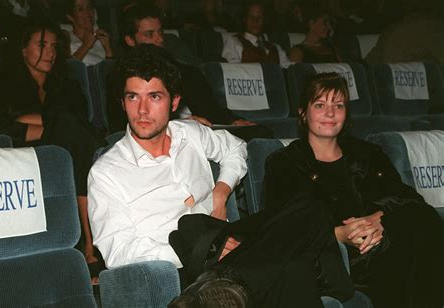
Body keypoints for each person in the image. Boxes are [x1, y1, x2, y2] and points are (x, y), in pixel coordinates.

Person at [89, 44, 355, 307]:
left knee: (310, 207)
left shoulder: (189, 133)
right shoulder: (107, 172)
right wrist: (207, 249)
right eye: (133, 97)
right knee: (293, 268)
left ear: (175, 102)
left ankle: (228, 286)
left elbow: (235, 148)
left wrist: (221, 191)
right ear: (122, 103)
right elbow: (118, 252)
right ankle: (226, 285)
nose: (143, 110)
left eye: (155, 97)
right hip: (183, 263)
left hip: (227, 243)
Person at [262, 72, 444, 308]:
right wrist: (340, 234)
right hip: (331, 256)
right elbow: (279, 227)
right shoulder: (284, 163)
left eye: (338, 105)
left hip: (383, 242)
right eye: (320, 105)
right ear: (303, 113)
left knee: (422, 218)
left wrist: (378, 218)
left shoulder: (367, 153)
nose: (330, 113)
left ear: (346, 113)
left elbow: (409, 198)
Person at [0, 19, 105, 282]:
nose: (50, 53)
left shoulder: (67, 83)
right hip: (27, 156)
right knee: (67, 128)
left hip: (69, 150)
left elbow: (78, 124)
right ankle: (90, 245)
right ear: (22, 49)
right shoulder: (5, 83)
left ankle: (88, 245)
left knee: (70, 132)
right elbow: (1, 128)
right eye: (42, 45)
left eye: (54, 47)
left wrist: (29, 121)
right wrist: (53, 124)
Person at [109, 4, 273, 141]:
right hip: (162, 139)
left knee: (260, 133)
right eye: (150, 34)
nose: (159, 40)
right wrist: (181, 125)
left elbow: (212, 110)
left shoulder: (186, 72)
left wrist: (234, 120)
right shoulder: (119, 77)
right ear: (130, 40)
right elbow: (121, 128)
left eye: (160, 33)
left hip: (202, 133)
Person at [221, 1, 292, 68]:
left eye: (259, 17)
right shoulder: (234, 42)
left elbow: (290, 70)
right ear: (245, 19)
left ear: (264, 21)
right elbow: (232, 71)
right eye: (251, 17)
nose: (255, 21)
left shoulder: (276, 48)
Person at [64, 0, 113, 66]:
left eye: (89, 7)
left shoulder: (102, 37)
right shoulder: (66, 36)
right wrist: (86, 45)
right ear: (70, 17)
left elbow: (111, 71)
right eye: (80, 9)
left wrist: (108, 50)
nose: (87, 12)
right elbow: (66, 68)